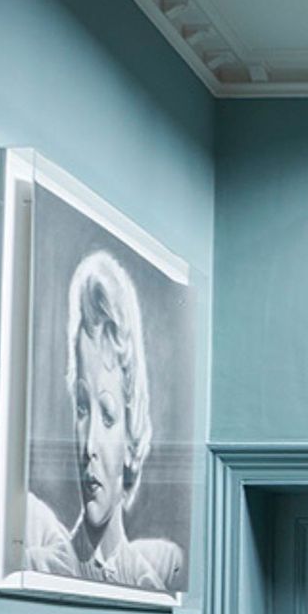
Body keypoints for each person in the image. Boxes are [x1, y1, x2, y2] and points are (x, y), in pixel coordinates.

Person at [25, 250, 185, 594]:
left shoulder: (149, 584)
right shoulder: (43, 562)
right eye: (82, 408)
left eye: (108, 416)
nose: (88, 445)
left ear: (132, 439)